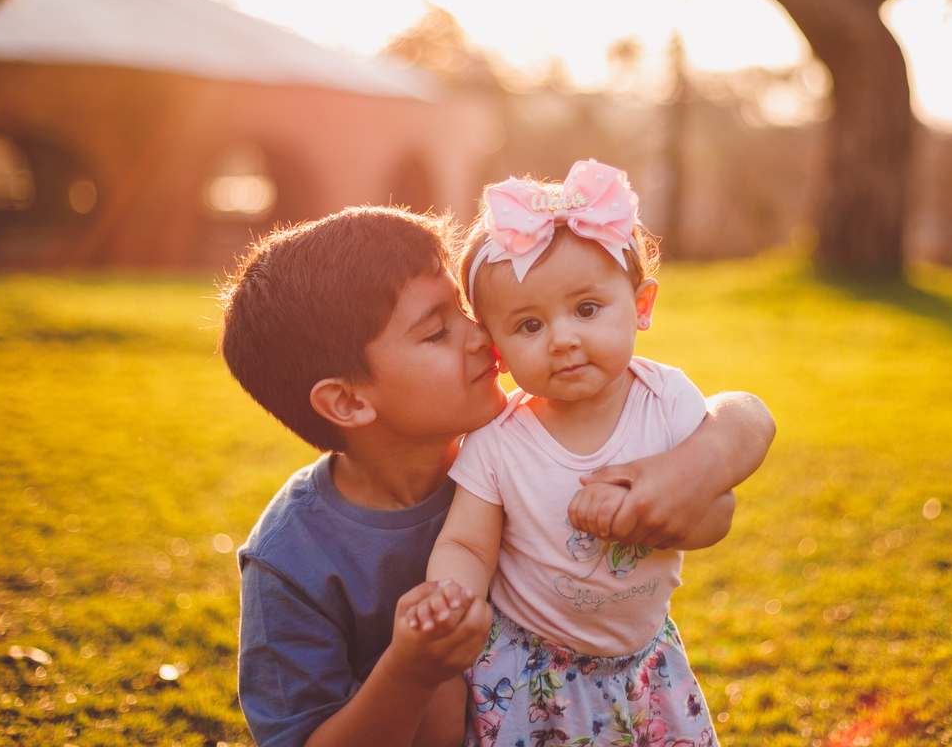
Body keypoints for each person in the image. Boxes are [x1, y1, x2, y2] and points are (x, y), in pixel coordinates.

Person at [218, 205, 774, 747]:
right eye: (438, 331)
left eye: (466, 310)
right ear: (347, 400)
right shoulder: (290, 562)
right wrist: (410, 671)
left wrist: (692, 471)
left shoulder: (527, 439)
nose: (484, 336)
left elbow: (742, 418)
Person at [416, 160, 741, 747]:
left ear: (641, 305)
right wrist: (452, 592)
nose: (563, 338)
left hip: (644, 660)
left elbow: (718, 510)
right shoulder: (498, 441)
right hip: (533, 668)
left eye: (587, 310)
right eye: (530, 325)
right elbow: (466, 541)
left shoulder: (666, 400)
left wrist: (663, 511)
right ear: (497, 350)